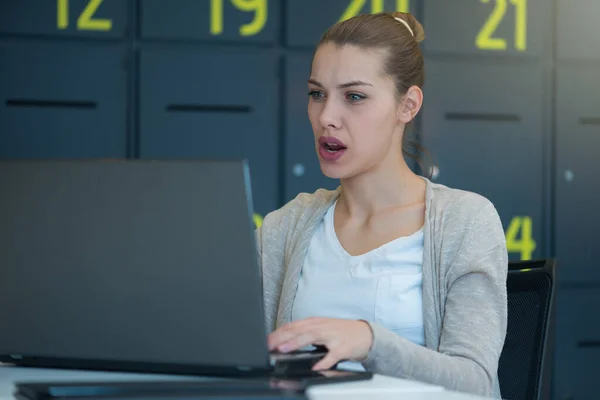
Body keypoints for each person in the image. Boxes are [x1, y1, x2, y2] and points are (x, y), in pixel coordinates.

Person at [255, 11, 508, 399]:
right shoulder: (284, 227)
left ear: (407, 106)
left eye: (354, 96)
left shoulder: (465, 221)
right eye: (317, 93)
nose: (327, 117)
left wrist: (369, 341)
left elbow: (474, 380)